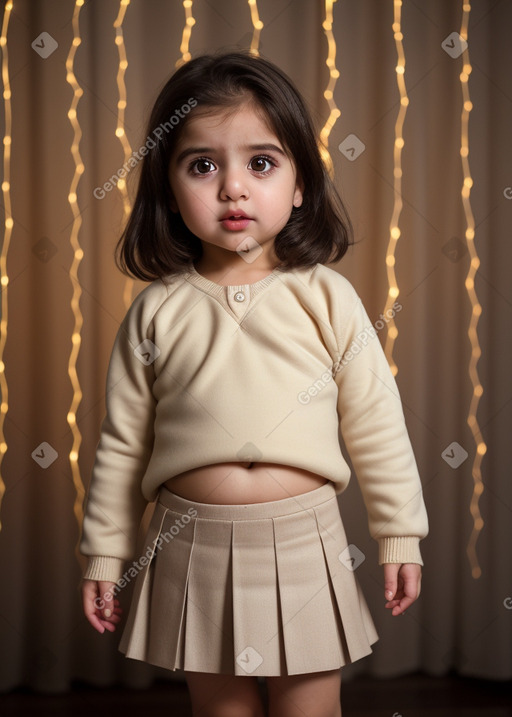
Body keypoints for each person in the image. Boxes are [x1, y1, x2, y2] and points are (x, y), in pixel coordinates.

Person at [80, 51, 428, 717]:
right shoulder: (156, 310)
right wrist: (104, 555)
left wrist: (398, 533)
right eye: (202, 165)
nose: (232, 188)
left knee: (309, 710)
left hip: (305, 541)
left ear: (301, 185)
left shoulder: (327, 297)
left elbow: (376, 421)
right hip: (190, 540)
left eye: (261, 163)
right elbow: (122, 444)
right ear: (168, 188)